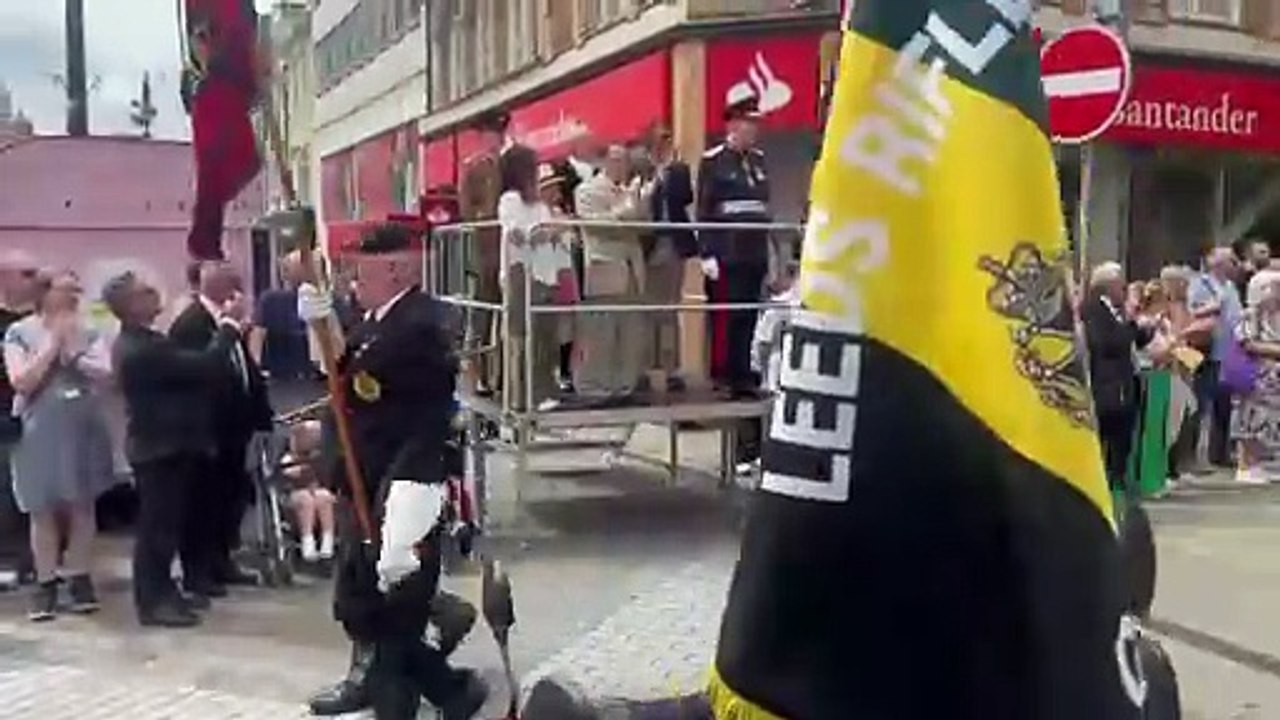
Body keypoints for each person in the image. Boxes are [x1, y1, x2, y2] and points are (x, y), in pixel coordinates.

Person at [297, 224, 487, 720]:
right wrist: (321, 327)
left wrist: (399, 504)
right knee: (363, 602)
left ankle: (417, 695)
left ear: (397, 269)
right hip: (364, 479)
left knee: (392, 609)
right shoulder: (375, 321)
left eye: (362, 272)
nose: (352, 282)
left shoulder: (419, 324)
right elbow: (342, 371)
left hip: (400, 487)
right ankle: (448, 690)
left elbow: (388, 395)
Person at [104, 270, 245, 627]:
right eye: (145, 291)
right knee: (157, 530)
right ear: (130, 305)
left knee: (167, 527)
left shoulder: (149, 340)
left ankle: (166, 592)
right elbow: (204, 367)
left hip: (170, 444)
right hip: (159, 446)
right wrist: (229, 327)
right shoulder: (141, 348)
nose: (155, 294)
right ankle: (153, 601)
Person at [2, 271, 115, 621]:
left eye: (75, 290)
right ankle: (46, 582)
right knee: (42, 507)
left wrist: (75, 354)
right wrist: (52, 345)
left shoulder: (90, 329)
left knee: (83, 503)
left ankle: (79, 576)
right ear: (45, 293)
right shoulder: (19, 332)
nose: (73, 296)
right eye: (66, 289)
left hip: (83, 423)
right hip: (38, 427)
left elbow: (106, 373)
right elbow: (22, 381)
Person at [169, 262, 272, 599]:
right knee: (201, 502)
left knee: (230, 498)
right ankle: (197, 571)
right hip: (206, 430)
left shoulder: (230, 323)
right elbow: (202, 373)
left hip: (235, 430)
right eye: (233, 284)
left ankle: (222, 559)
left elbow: (244, 367)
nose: (239, 291)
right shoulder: (192, 324)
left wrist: (260, 414)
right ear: (215, 287)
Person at [698, 96, 772, 400]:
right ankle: (724, 374)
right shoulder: (714, 161)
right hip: (728, 249)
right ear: (733, 125)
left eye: (755, 124)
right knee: (728, 316)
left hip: (754, 249)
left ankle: (742, 373)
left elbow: (764, 205)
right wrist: (707, 252)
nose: (754, 130)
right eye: (748, 124)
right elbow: (705, 209)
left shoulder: (758, 160)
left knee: (749, 313)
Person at [574, 144, 656, 406]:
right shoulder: (587, 190)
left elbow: (645, 226)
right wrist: (626, 211)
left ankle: (625, 387)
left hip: (633, 268)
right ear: (605, 162)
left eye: (625, 161)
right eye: (617, 160)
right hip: (605, 267)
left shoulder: (630, 192)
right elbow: (599, 226)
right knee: (601, 332)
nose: (623, 166)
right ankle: (596, 388)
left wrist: (636, 205)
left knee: (631, 331)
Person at [497, 147, 575, 411]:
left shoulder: (540, 205)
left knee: (545, 337)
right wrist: (546, 232)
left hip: (545, 273)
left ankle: (543, 392)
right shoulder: (510, 200)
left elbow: (551, 231)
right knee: (522, 336)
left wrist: (550, 231)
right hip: (522, 272)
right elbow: (519, 235)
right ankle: (521, 397)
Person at [1083, 262, 1155, 494]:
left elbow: (1133, 341)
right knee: (1108, 436)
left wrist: (1145, 330)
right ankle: (1107, 483)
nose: (1124, 291)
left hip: (1126, 381)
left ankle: (1119, 481)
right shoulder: (1093, 310)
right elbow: (1105, 343)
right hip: (1107, 383)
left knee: (1124, 437)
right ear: (1108, 286)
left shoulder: (1119, 312)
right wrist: (1131, 326)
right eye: (1121, 286)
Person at [459, 110, 512, 397]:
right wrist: (482, 220)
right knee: (480, 314)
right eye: (491, 135)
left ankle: (500, 375)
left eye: (498, 134)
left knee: (506, 313)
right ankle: (476, 373)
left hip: (505, 246)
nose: (496, 140)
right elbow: (466, 207)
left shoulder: (507, 166)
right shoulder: (474, 167)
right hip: (484, 248)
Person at [644, 123, 696, 393]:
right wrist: (653, 179)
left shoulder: (678, 170)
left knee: (670, 308)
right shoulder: (642, 171)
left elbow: (685, 198)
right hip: (650, 245)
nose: (664, 146)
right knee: (649, 307)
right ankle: (648, 364)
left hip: (673, 242)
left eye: (667, 141)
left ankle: (671, 366)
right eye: (660, 142)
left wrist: (668, 172)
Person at [0, 250, 40, 589]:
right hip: (3, 414)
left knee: (31, 490)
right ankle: (8, 558)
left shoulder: (34, 322)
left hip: (33, 414)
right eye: (26, 274)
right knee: (5, 490)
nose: (34, 280)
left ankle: (32, 559)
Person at [1187, 247, 1243, 469]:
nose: (1235, 265)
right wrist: (1214, 306)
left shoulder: (1231, 287)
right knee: (1202, 403)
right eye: (1231, 261)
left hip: (1229, 352)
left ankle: (1219, 453)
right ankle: (1193, 455)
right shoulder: (1201, 284)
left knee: (1224, 405)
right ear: (1218, 264)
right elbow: (1193, 311)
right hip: (1207, 352)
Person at [1231, 275, 1280, 484]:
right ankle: (1244, 466)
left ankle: (1260, 464)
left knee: (1268, 421)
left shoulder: (1275, 315)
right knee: (1248, 419)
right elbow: (1247, 342)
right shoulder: (1251, 314)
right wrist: (1275, 350)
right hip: (1254, 375)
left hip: (1273, 379)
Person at [280, 419, 337, 563]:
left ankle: (327, 539)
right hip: (293, 496)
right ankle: (308, 541)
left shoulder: (320, 457)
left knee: (324, 496)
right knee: (306, 498)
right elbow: (288, 476)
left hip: (317, 493)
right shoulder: (289, 458)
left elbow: (326, 477)